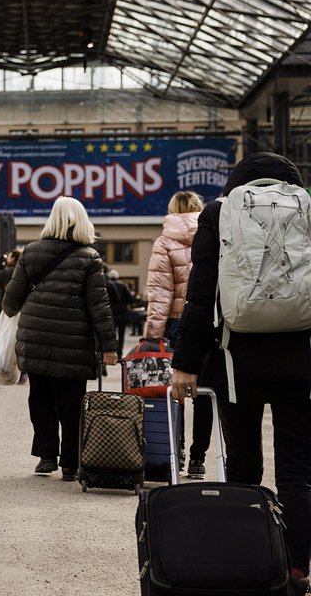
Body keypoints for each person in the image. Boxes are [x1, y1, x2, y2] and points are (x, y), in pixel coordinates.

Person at [171, 153, 311, 593]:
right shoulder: (307, 206)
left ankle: (253, 564)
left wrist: (185, 363)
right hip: (301, 357)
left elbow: (202, 292)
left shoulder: (219, 211)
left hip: (235, 360)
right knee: (297, 471)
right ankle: (296, 570)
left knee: (245, 466)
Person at [1, 197, 118, 482]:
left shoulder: (30, 252)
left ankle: (46, 456)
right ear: (82, 221)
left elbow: (10, 302)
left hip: (36, 338)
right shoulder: (89, 257)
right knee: (71, 403)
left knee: (39, 398)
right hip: (73, 342)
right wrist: (109, 346)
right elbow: (98, 306)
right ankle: (70, 464)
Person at [144, 190, 210, 479]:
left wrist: (153, 333)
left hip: (175, 324)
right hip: (208, 321)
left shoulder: (164, 241)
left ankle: (177, 452)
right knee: (207, 392)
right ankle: (199, 458)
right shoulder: (213, 234)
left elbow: (160, 292)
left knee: (175, 391)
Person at [106, 269, 131, 356]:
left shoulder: (106, 285)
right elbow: (130, 299)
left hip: (110, 313)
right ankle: (119, 352)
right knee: (121, 334)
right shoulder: (123, 285)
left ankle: (112, 351)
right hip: (121, 313)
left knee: (111, 334)